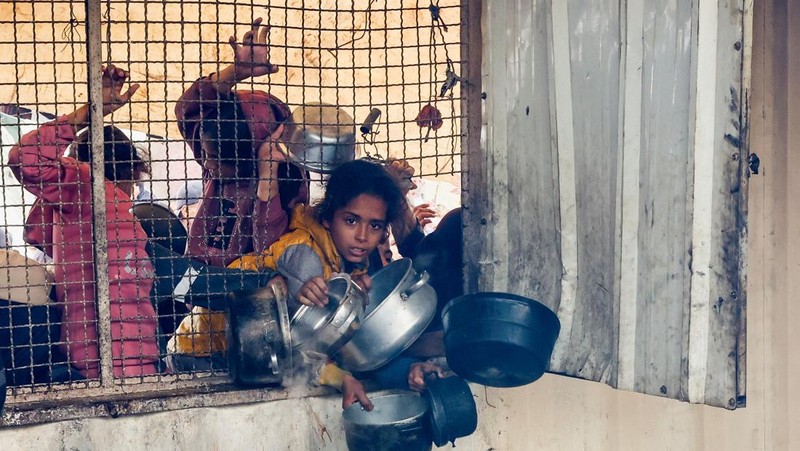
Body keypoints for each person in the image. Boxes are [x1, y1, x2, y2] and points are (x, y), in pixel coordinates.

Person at [170, 160, 441, 408]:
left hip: (246, 352)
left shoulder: (352, 261)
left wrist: (406, 370)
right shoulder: (304, 256)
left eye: (374, 226)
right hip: (200, 353)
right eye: (351, 220)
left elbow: (348, 341)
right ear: (327, 217)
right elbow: (295, 348)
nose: (362, 236)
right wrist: (340, 378)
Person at [7, 65, 160, 379]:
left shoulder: (92, 211)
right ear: (131, 168)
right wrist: (88, 113)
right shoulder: (85, 188)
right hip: (105, 366)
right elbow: (24, 158)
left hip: (129, 362)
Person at [175, 17, 307, 267]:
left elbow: (272, 246)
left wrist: (268, 171)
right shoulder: (215, 169)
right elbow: (186, 110)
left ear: (248, 156)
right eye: (206, 153)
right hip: (202, 283)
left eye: (217, 159)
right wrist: (233, 74)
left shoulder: (285, 181)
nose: (208, 165)